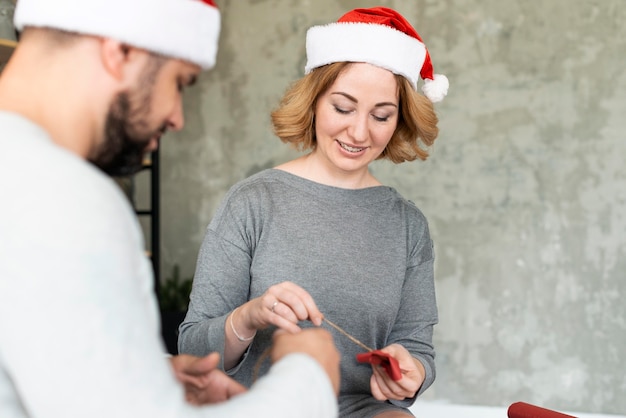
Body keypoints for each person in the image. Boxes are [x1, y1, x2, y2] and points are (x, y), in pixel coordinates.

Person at [0, 0, 341, 417]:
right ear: (121, 50)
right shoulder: (65, 196)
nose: (177, 117)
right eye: (180, 82)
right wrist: (309, 374)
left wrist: (146, 379)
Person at [178, 6, 448, 418]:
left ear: (400, 120)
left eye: (381, 116)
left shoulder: (407, 225)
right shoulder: (253, 203)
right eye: (343, 108)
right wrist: (250, 317)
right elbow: (193, 349)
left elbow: (417, 350)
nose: (360, 133)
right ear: (314, 101)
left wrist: (411, 371)